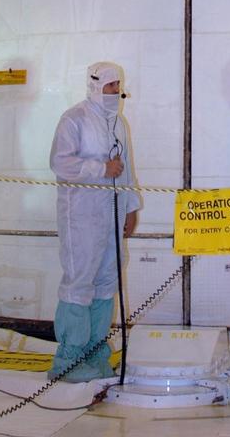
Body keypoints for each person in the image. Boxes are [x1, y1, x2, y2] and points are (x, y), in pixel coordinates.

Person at [49, 61, 140, 382]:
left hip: (112, 214)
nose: (116, 92)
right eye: (110, 86)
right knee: (80, 282)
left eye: (118, 86)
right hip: (82, 216)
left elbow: (125, 169)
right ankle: (68, 360)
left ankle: (95, 353)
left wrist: (131, 208)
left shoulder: (119, 123)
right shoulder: (74, 118)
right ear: (94, 86)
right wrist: (101, 169)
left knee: (106, 281)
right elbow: (60, 163)